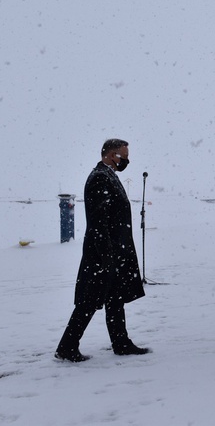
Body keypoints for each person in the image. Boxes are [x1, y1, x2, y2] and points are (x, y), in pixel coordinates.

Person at [55, 139, 149, 362]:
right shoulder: (99, 177)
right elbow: (99, 221)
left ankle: (121, 342)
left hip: (114, 251)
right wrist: (106, 254)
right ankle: (67, 347)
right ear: (111, 154)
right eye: (123, 155)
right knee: (89, 300)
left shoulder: (109, 175)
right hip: (103, 253)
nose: (127, 160)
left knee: (115, 298)